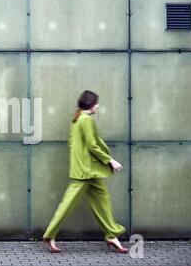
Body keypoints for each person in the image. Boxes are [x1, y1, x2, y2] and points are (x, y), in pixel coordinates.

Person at [42, 90, 128, 254]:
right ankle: (50, 234)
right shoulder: (86, 119)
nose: (97, 106)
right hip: (86, 171)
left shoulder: (76, 119)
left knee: (103, 202)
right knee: (68, 204)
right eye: (96, 103)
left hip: (87, 170)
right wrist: (110, 160)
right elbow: (92, 146)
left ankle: (112, 235)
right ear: (91, 105)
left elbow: (72, 143)